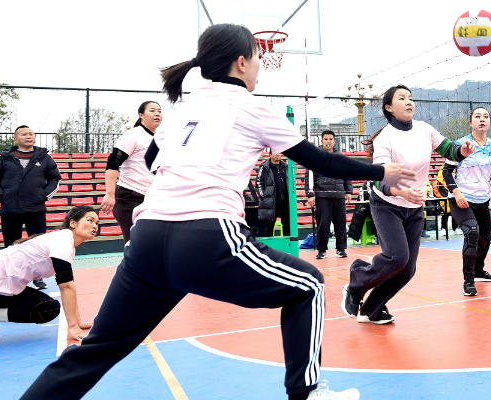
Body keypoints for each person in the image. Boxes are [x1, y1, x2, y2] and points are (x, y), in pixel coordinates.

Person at [21, 23, 416, 400]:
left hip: (147, 239)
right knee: (309, 285)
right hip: (206, 236)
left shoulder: (181, 110)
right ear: (241, 63)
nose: (260, 65)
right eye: (257, 57)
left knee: (97, 349)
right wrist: (381, 171)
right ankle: (306, 391)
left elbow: (154, 158)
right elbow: (322, 161)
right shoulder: (254, 109)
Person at [341, 85, 475, 325]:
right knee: (397, 257)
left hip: (414, 206)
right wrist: (401, 191)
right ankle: (357, 279)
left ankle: (371, 309)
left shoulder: (424, 129)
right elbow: (380, 178)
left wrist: (462, 151)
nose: (409, 102)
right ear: (389, 108)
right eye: (401, 98)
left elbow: (449, 150)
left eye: (411, 98)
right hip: (387, 204)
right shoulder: (385, 138)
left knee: (407, 270)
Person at [0, 205, 98, 342]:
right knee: (49, 308)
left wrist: (78, 321)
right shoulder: (62, 240)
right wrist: (73, 326)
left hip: (1, 285)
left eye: (97, 223)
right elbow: (66, 286)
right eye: (90, 220)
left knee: (48, 308)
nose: (95, 226)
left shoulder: (65, 242)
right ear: (73, 223)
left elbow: (69, 286)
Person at [0, 125, 61, 290]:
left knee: (37, 245)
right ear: (16, 139)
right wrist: (1, 196)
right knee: (10, 246)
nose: (28, 136)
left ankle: (38, 278)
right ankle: (8, 277)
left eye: (31, 134)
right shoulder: (3, 158)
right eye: (24, 134)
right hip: (10, 208)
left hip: (35, 208)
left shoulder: (44, 157)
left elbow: (55, 178)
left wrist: (44, 196)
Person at [442, 107, 491, 296]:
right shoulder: (460, 144)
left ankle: (478, 271)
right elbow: (446, 172)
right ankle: (468, 281)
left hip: (483, 200)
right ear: (470, 122)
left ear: (489, 122)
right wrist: (456, 192)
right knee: (472, 233)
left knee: (486, 238)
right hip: (461, 200)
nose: (482, 119)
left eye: (485, 116)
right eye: (477, 116)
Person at [100, 101, 162, 243]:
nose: (157, 114)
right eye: (152, 110)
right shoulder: (133, 135)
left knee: (154, 242)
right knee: (136, 243)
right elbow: (113, 162)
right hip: (130, 197)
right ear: (141, 115)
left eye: (159, 111)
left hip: (152, 197)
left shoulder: (161, 137)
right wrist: (110, 194)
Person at [305, 130, 352, 259]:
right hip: (322, 196)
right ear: (322, 141)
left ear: (334, 141)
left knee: (341, 224)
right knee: (323, 225)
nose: (328, 141)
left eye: (330, 139)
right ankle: (322, 250)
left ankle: (341, 249)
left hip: (339, 195)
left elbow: (347, 174)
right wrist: (310, 194)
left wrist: (348, 191)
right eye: (326, 139)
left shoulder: (341, 157)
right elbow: (309, 177)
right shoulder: (315, 157)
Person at [256, 153, 291, 236]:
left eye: (279, 153)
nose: (277, 155)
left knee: (288, 227)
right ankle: (268, 245)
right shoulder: (264, 167)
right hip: (270, 203)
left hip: (285, 203)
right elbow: (258, 183)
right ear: (270, 155)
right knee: (269, 228)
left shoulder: (286, 167)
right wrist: (264, 197)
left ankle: (287, 244)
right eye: (275, 153)